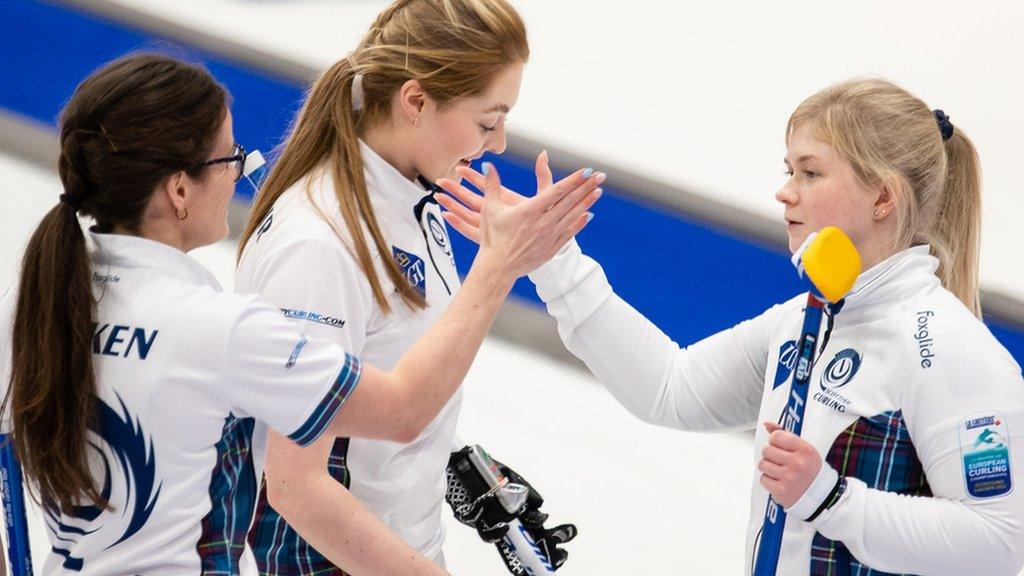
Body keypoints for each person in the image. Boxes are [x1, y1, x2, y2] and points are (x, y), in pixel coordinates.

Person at [0, 53, 598, 575]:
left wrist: (454, 459)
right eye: (227, 158)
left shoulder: (36, 297)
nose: (239, 172)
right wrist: (498, 267)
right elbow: (401, 408)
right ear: (178, 191)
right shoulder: (222, 328)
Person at [438, 78, 1024, 575]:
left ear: (883, 198)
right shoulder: (804, 321)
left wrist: (831, 498)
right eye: (788, 169)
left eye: (810, 173)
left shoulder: (949, 349)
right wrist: (553, 260)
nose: (784, 190)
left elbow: (1004, 542)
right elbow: (670, 388)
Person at [235, 1, 592, 573]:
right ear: (416, 101)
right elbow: (294, 487)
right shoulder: (321, 245)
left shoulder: (412, 198)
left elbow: (374, 382)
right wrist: (499, 267)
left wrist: (453, 461)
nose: (498, 143)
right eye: (487, 120)